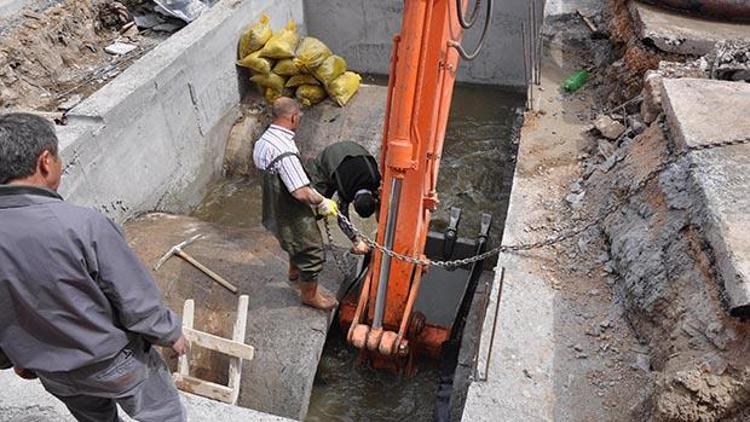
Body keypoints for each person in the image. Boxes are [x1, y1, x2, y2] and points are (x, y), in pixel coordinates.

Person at [0, 113, 188, 422]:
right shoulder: (80, 225)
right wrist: (169, 332)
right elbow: (134, 297)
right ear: (45, 161)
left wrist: (15, 356)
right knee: (163, 414)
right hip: (112, 362)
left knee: (94, 418)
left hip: (51, 370)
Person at [253, 98, 339, 311]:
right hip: (289, 206)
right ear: (293, 117)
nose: (299, 118)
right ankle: (309, 296)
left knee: (291, 238)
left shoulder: (264, 139)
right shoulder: (285, 152)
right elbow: (300, 192)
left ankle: (294, 271)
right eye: (299, 115)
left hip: (272, 204)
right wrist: (323, 202)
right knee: (311, 249)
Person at [309, 141, 381, 255]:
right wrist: (357, 241)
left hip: (353, 148)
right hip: (331, 156)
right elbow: (342, 218)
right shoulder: (346, 191)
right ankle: (306, 233)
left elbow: (380, 200)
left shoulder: (375, 178)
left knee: (328, 197)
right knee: (319, 202)